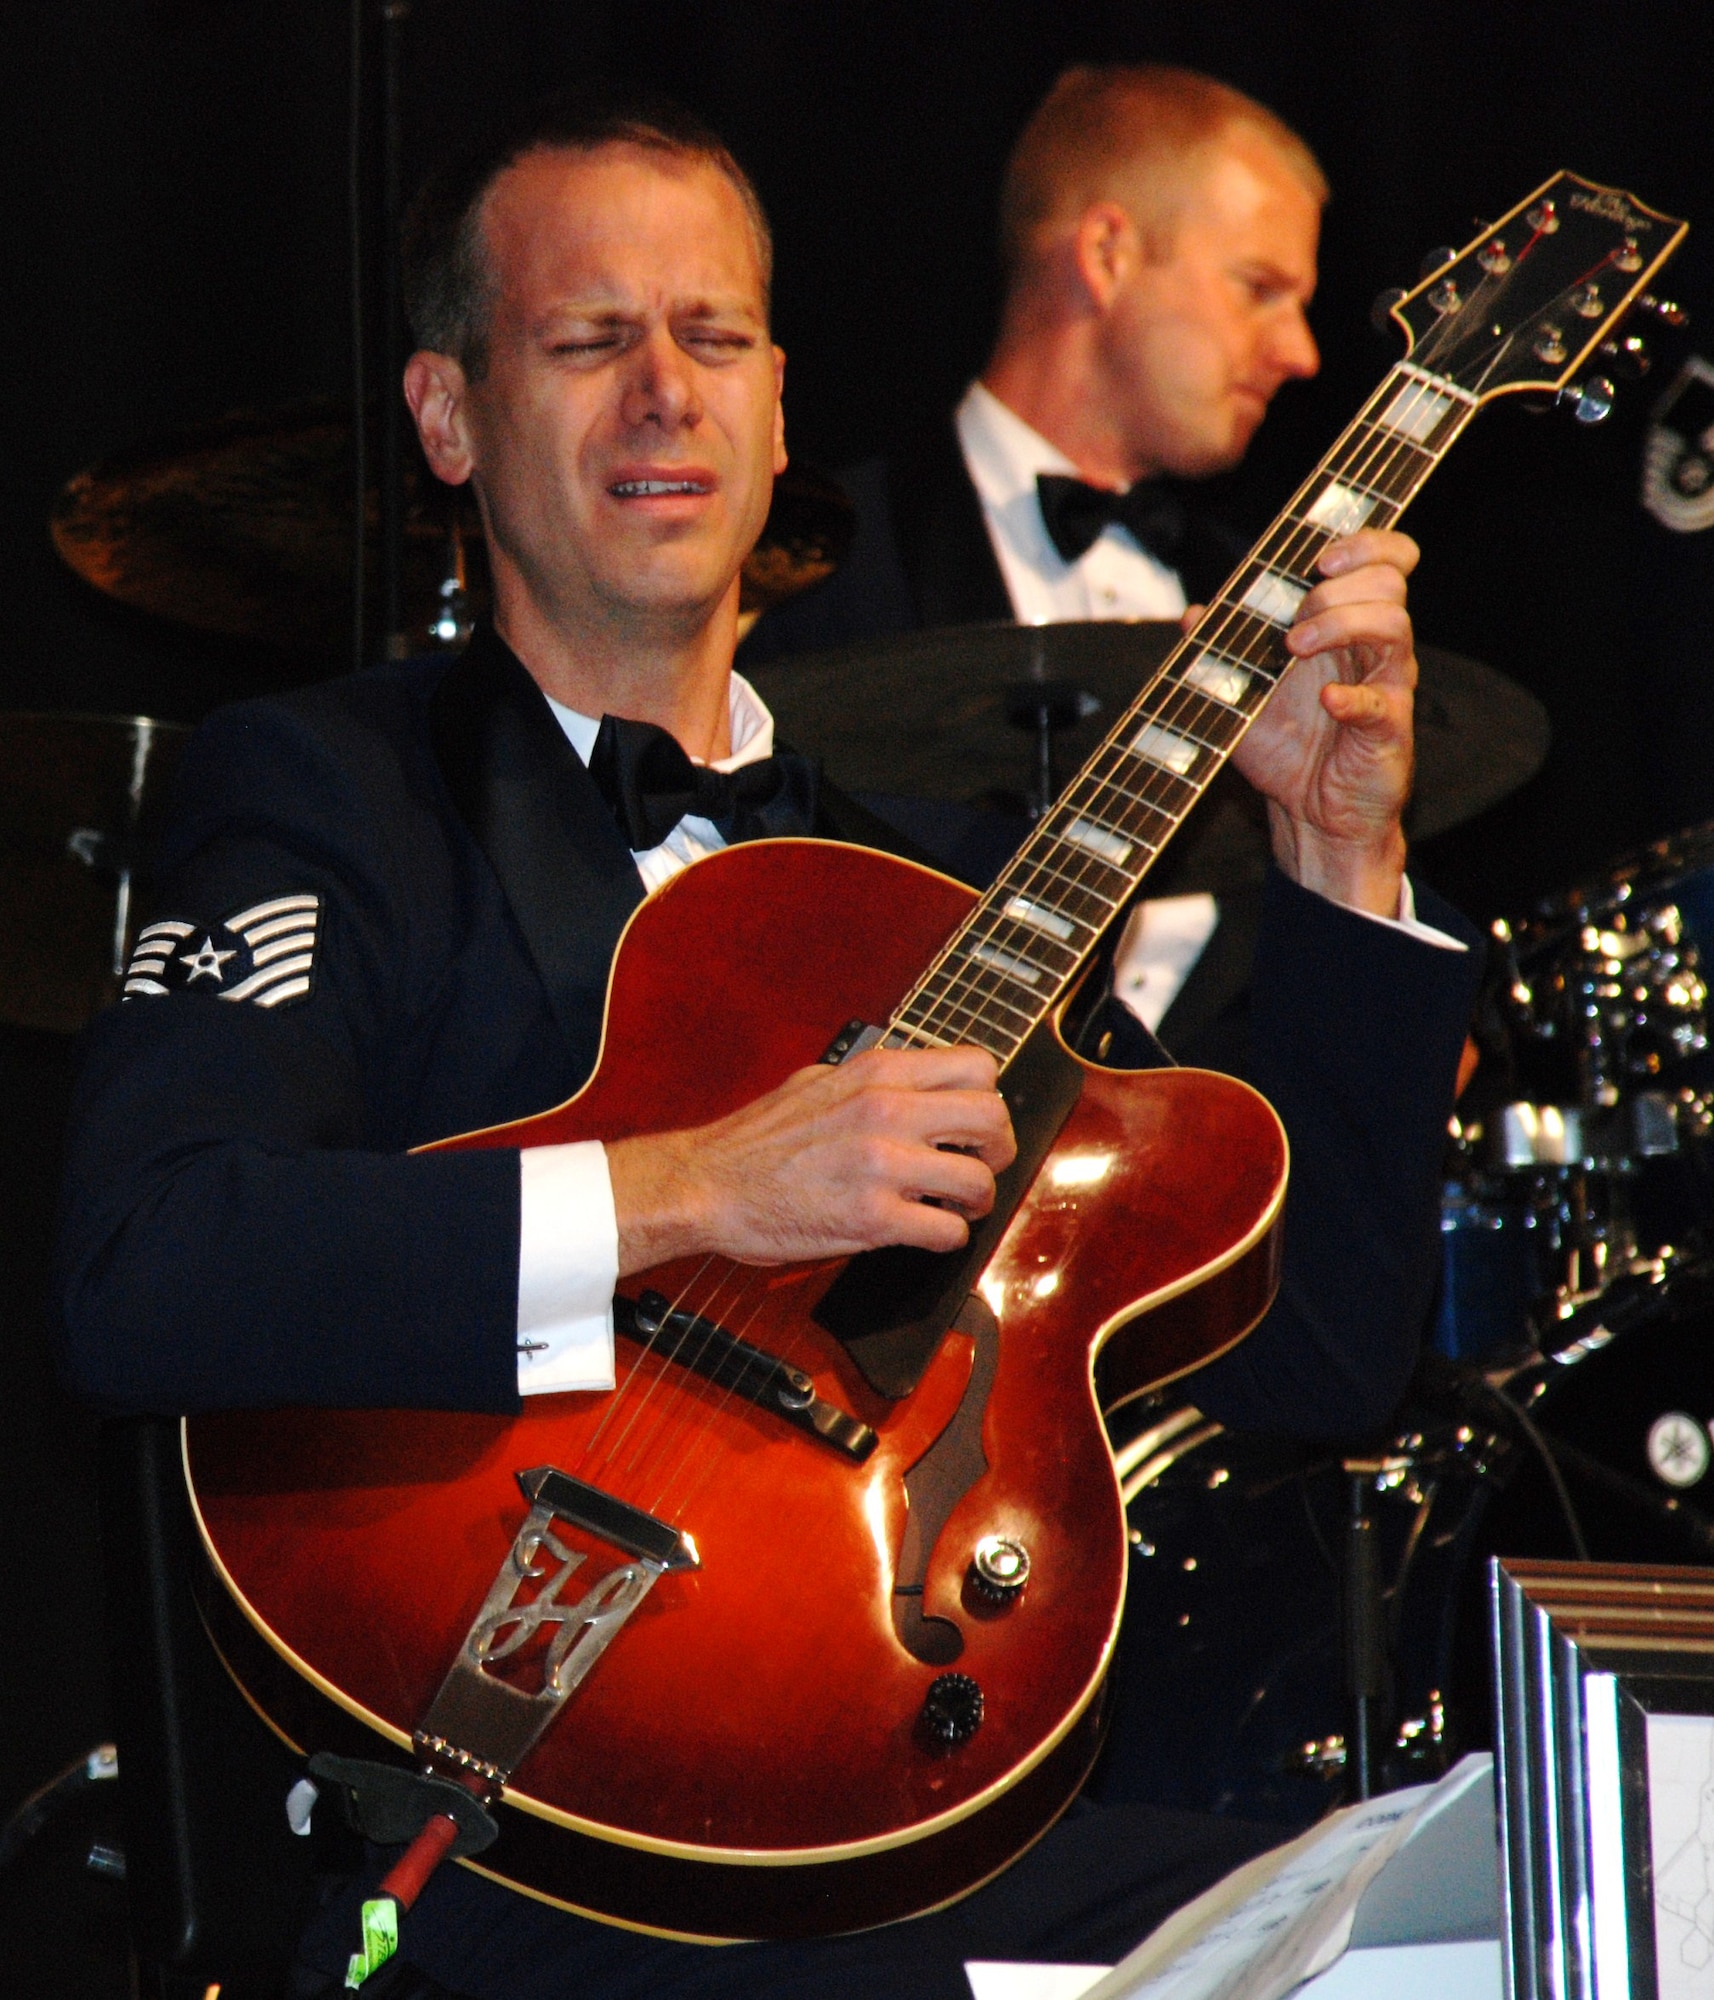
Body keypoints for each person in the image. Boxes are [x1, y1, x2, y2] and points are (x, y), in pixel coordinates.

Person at [56, 88, 1481, 2000]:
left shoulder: (949, 891)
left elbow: (1311, 1356)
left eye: (710, 336)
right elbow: (148, 1268)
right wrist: (692, 1189)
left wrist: (1333, 853)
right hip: (502, 1847)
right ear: (448, 419)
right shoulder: (325, 796)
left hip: (909, 1822)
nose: (663, 391)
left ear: (783, 405)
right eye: (586, 341)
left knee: (1455, 1905)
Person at [742, 64, 1429, 1069]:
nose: (1298, 351)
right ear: (1106, 253)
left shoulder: (1278, 606)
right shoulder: (812, 568)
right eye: (1258, 288)